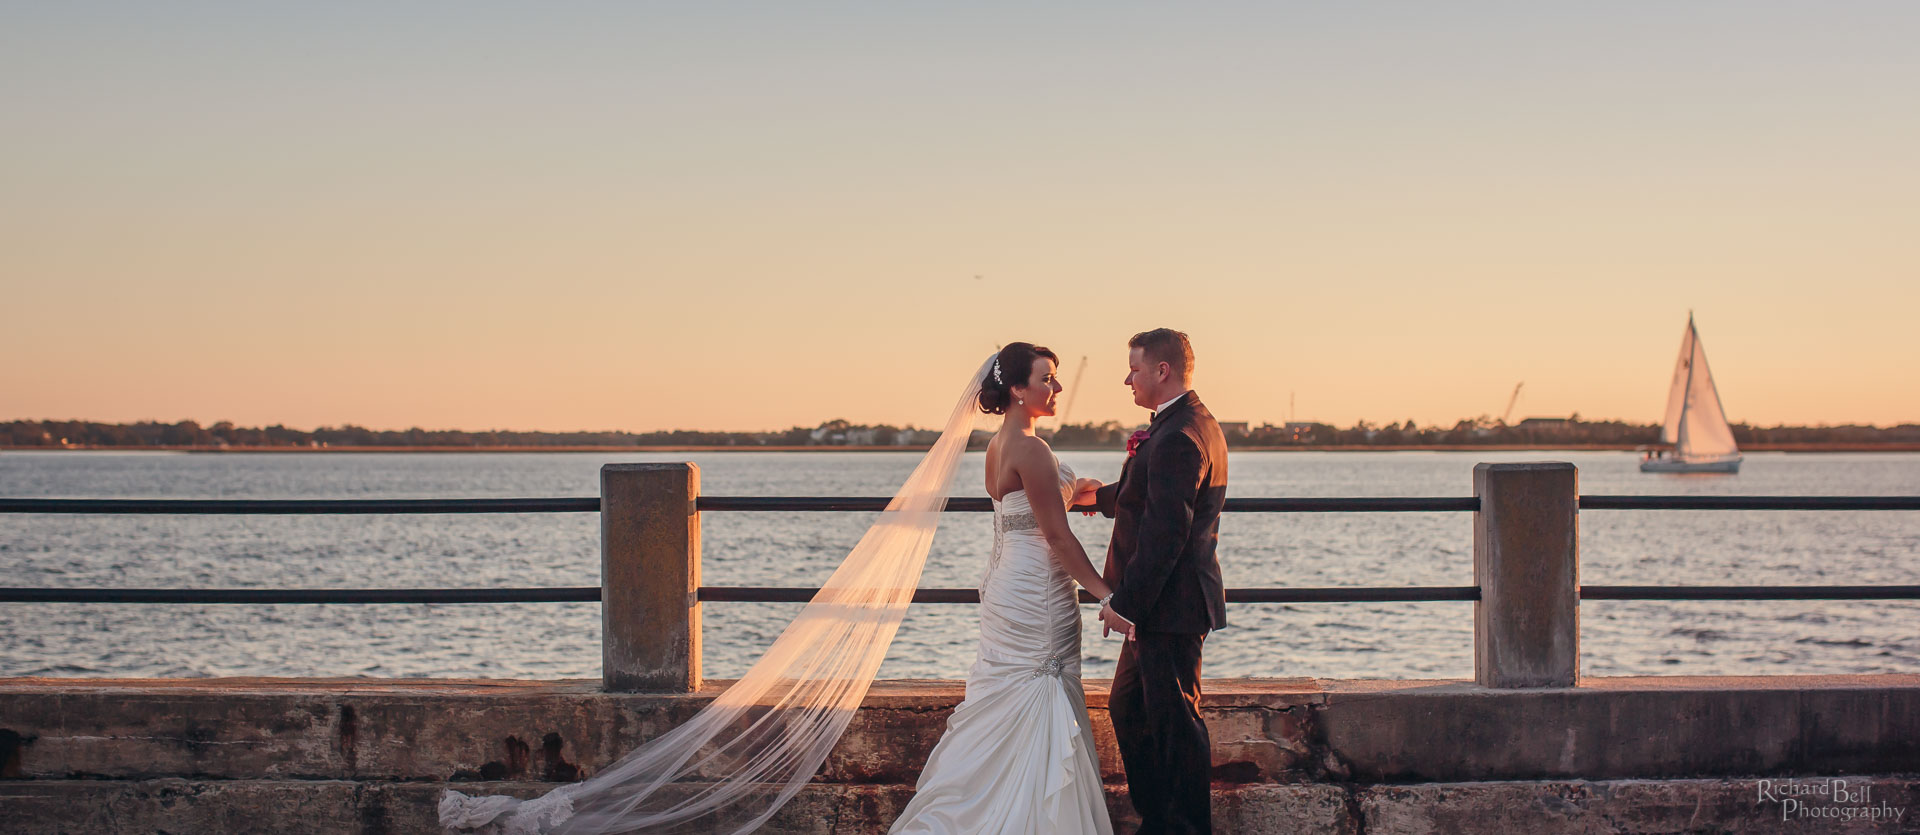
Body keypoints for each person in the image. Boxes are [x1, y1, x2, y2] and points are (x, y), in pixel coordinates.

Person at [888, 342, 1116, 834]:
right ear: (1017, 389)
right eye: (1046, 379)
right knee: (1041, 688)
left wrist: (1072, 490)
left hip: (1006, 583)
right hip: (1038, 591)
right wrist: (1108, 595)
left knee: (1012, 695)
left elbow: (1030, 508)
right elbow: (1055, 535)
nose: (1057, 388)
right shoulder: (1033, 449)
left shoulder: (998, 446)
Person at [1088, 328, 1229, 834]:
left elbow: (1168, 530)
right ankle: (1159, 819)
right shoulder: (1181, 424)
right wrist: (1094, 498)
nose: (1128, 378)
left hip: (1171, 606)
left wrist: (1125, 606)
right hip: (1162, 606)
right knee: (1129, 706)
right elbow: (1147, 492)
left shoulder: (1180, 434)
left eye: (1134, 368)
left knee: (1175, 725)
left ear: (1161, 370)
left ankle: (1184, 827)